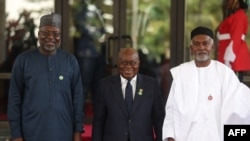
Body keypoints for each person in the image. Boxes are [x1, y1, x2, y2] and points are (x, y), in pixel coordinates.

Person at [162, 26, 250, 141]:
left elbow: (241, 105)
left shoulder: (225, 73)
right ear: (191, 48)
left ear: (212, 46)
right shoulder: (181, 73)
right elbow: (171, 110)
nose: (201, 48)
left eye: (205, 44)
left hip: (215, 136)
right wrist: (170, 136)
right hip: (187, 136)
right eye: (197, 44)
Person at [7, 13, 84, 141]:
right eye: (45, 33)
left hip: (63, 133)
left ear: (60, 36)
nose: (50, 37)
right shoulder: (23, 60)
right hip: (31, 133)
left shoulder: (70, 61)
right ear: (38, 34)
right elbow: (14, 100)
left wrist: (77, 133)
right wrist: (16, 135)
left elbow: (78, 100)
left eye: (55, 33)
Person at [92, 47, 165, 141]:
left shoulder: (151, 85)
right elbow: (99, 121)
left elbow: (159, 120)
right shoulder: (105, 86)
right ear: (118, 63)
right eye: (123, 63)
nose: (128, 66)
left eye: (133, 63)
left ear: (138, 63)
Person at [217, 0, 250, 82]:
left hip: (234, 59)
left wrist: (228, 59)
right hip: (232, 58)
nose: (227, 2)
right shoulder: (235, 16)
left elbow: (236, 38)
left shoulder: (239, 16)